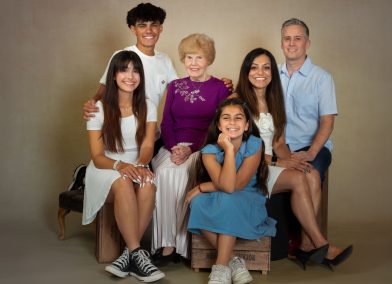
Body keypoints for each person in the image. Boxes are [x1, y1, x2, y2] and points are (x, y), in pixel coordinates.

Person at [235, 48, 352, 270]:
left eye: (266, 67)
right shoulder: (237, 102)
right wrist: (279, 163)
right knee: (297, 180)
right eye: (254, 67)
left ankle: (307, 245)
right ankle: (322, 245)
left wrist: (293, 161)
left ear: (272, 72)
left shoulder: (272, 100)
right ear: (246, 71)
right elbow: (239, 150)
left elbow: (278, 142)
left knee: (308, 173)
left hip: (269, 164)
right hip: (248, 168)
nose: (261, 72)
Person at [82, 50, 165, 282]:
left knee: (148, 183)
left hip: (135, 164)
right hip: (106, 168)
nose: (131, 75)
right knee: (123, 181)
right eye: (124, 70)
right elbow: (98, 156)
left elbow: (148, 145)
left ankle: (129, 255)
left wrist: (140, 164)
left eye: (135, 70)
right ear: (114, 75)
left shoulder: (147, 105)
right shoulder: (97, 108)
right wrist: (121, 166)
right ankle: (139, 255)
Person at [151, 33, 230, 264]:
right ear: (183, 60)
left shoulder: (220, 89)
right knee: (163, 173)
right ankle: (166, 244)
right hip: (172, 145)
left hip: (203, 147)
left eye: (199, 57)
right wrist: (175, 147)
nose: (193, 63)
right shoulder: (174, 86)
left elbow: (217, 127)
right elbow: (166, 122)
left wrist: (191, 149)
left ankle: (182, 245)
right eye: (188, 57)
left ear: (208, 60)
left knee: (181, 174)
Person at [184, 98, 275, 284]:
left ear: (247, 125)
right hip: (225, 192)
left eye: (238, 118)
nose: (232, 122)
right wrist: (228, 150)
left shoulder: (255, 145)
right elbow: (226, 185)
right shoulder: (209, 151)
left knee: (228, 199)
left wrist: (203, 186)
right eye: (226, 118)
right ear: (218, 125)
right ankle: (233, 261)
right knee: (197, 202)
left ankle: (220, 267)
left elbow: (237, 185)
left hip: (248, 197)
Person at [83, 2, 178, 116]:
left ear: (160, 28)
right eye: (142, 25)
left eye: (154, 25)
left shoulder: (165, 60)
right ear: (133, 29)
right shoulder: (121, 55)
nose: (149, 31)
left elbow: (178, 93)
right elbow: (103, 90)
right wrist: (92, 103)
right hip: (120, 128)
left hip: (150, 128)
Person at [279, 18, 337, 183]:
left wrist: (311, 152)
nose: (291, 43)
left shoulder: (322, 78)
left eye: (297, 38)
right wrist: (226, 87)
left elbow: (327, 121)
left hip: (312, 148)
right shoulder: (271, 74)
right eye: (287, 38)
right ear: (281, 43)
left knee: (308, 178)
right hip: (279, 148)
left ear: (307, 43)